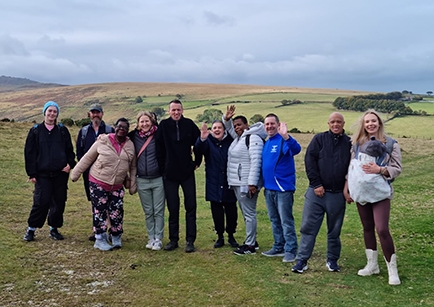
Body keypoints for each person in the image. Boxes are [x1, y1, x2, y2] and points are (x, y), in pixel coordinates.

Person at [346, 110, 402, 285]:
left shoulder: (391, 144)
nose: (370, 124)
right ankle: (372, 265)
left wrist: (380, 170)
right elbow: (352, 167)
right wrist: (347, 187)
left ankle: (392, 270)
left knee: (382, 229)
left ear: (379, 123)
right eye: (367, 121)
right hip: (361, 191)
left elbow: (397, 168)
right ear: (363, 124)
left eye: (373, 121)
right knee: (367, 228)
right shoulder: (356, 144)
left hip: (380, 193)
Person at [292, 112, 351, 273]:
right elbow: (309, 161)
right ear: (328, 123)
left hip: (337, 194)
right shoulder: (319, 139)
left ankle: (332, 260)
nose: (336, 125)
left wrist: (348, 189)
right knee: (308, 227)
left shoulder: (349, 143)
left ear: (343, 124)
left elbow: (353, 168)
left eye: (339, 122)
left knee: (334, 230)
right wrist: (316, 184)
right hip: (316, 193)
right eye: (333, 122)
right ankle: (302, 260)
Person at [71, 118, 137, 251]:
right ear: (115, 127)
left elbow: (133, 166)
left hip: (117, 185)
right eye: (119, 127)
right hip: (98, 181)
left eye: (124, 128)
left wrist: (132, 184)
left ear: (128, 130)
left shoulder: (130, 145)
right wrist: (75, 174)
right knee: (99, 211)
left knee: (117, 212)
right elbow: (87, 158)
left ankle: (116, 236)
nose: (121, 129)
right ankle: (100, 239)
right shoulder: (103, 140)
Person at [23, 101, 76, 241]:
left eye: (55, 111)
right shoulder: (35, 131)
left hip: (60, 173)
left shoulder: (62, 131)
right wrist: (32, 173)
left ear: (57, 114)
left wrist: (70, 164)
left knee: (59, 202)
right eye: (50, 111)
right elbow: (30, 153)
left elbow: (70, 150)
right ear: (44, 112)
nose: (52, 114)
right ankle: (31, 229)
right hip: (42, 174)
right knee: (41, 201)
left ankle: (54, 228)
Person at [157, 100, 201, 253]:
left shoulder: (189, 124)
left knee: (191, 207)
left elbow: (199, 142)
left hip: (187, 172)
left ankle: (190, 241)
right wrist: (163, 168)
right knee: (173, 208)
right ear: (169, 111)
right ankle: (173, 239)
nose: (176, 112)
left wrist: (197, 161)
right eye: (173, 110)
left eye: (178, 110)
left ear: (182, 110)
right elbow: (158, 148)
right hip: (170, 174)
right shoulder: (163, 126)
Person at [223, 105, 267, 255]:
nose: (236, 128)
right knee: (247, 213)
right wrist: (226, 119)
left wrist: (252, 183)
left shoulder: (253, 138)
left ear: (247, 125)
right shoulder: (240, 138)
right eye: (235, 126)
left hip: (246, 183)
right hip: (238, 182)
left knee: (249, 214)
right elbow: (230, 130)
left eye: (239, 125)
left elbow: (256, 161)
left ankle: (250, 245)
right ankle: (252, 241)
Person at [261, 113, 301, 263]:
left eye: (272, 124)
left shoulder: (282, 140)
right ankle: (279, 246)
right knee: (274, 219)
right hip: (269, 189)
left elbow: (296, 150)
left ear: (278, 125)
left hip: (283, 188)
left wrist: (286, 137)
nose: (269, 126)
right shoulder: (267, 142)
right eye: (267, 124)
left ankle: (291, 250)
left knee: (286, 220)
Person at [195, 120, 239, 248]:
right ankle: (220, 236)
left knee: (231, 211)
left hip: (229, 181)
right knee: (217, 212)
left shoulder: (230, 141)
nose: (217, 130)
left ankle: (231, 235)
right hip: (213, 182)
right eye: (214, 128)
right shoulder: (208, 141)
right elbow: (198, 150)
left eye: (220, 127)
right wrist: (201, 139)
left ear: (224, 130)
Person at [76, 103, 114, 241]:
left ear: (102, 114)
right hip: (89, 174)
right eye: (93, 112)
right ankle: (97, 230)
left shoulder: (110, 130)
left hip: (107, 173)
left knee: (109, 202)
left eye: (98, 112)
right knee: (95, 202)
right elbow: (79, 152)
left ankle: (111, 230)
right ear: (89, 114)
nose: (95, 115)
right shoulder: (84, 132)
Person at [128, 111, 165, 251]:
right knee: (148, 211)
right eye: (142, 122)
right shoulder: (133, 136)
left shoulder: (159, 135)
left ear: (152, 121)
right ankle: (151, 237)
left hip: (158, 178)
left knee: (159, 210)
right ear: (138, 123)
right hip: (142, 179)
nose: (144, 124)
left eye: (147, 121)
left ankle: (158, 238)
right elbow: (118, 137)